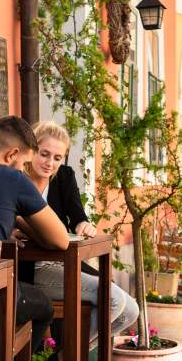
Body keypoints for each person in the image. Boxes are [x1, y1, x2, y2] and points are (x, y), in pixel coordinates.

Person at [25, 120, 138, 338]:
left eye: (57, 158)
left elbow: (78, 216)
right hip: (32, 269)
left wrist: (83, 225)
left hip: (63, 261)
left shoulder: (64, 177)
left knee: (130, 311)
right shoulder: (18, 179)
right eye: (44, 154)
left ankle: (66, 357)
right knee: (113, 299)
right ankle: (70, 360)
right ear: (32, 150)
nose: (50, 163)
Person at [0, 115, 68, 350]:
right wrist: (20, 220)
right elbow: (61, 239)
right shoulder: (12, 178)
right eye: (23, 164)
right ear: (12, 155)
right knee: (43, 308)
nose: (24, 170)